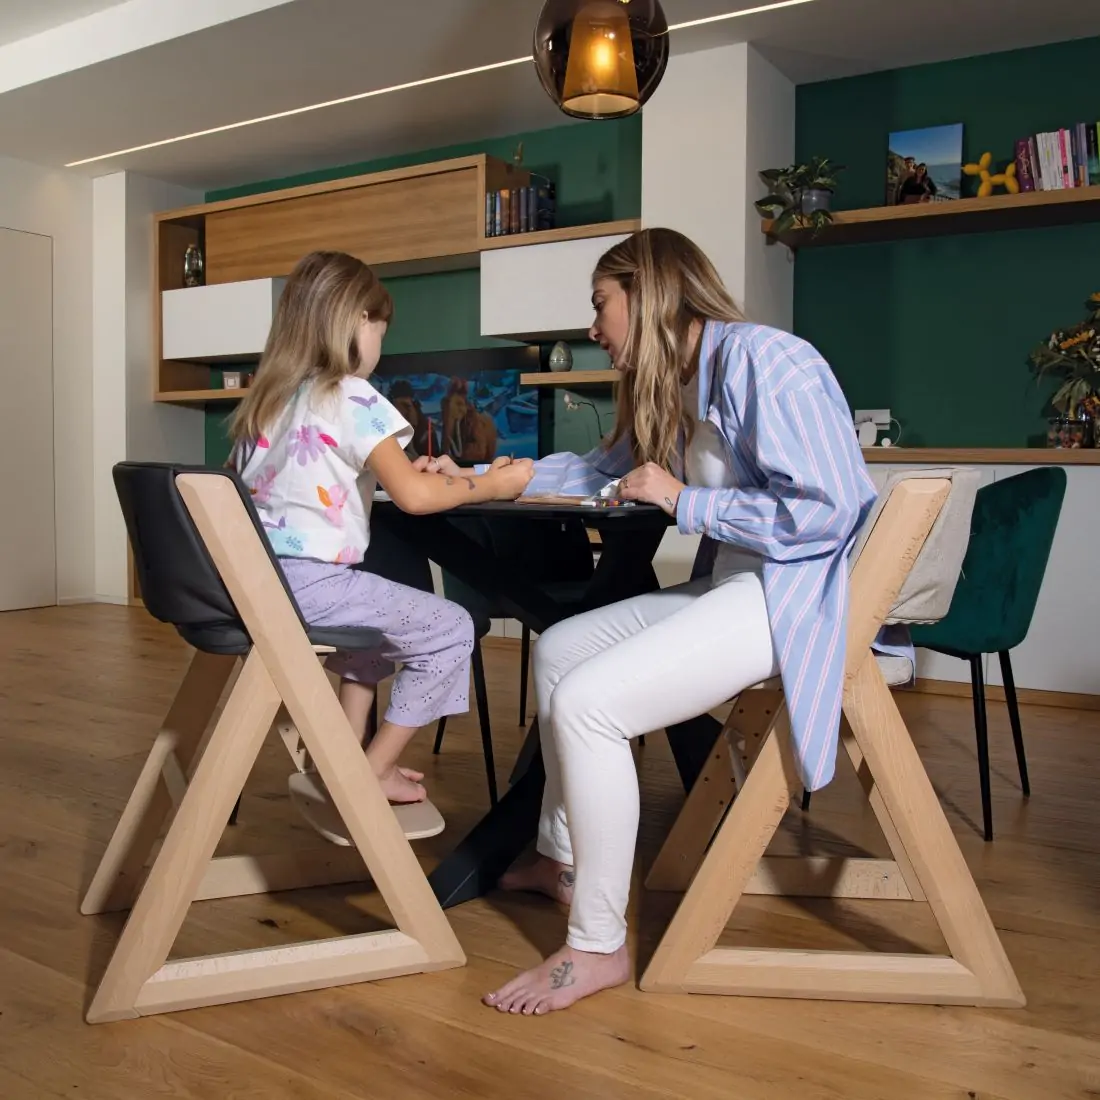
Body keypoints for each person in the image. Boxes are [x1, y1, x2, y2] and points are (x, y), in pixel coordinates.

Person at [481, 228, 878, 1015]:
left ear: (649, 294)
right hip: (736, 586)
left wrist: (685, 500)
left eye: (601, 303)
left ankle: (597, 946)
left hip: (790, 596)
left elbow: (830, 511)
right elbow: (598, 471)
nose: (593, 326)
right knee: (559, 650)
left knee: (590, 705)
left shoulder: (772, 362)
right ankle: (563, 859)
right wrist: (483, 475)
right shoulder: (679, 383)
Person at [229, 250, 532, 819]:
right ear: (357, 321)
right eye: (380, 332)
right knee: (451, 628)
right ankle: (370, 773)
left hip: (258, 583)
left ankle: (344, 759)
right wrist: (494, 484)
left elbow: (307, 479)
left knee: (366, 638)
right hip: (313, 587)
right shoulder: (351, 394)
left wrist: (396, 471)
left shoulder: (267, 401)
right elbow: (415, 498)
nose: (379, 348)